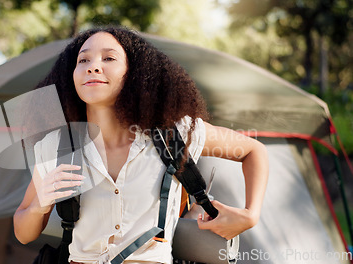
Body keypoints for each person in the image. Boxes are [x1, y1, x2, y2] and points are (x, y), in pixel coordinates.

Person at [13, 26, 268, 264]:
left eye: (109, 58)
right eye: (83, 60)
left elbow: (253, 150)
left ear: (133, 74)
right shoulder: (56, 146)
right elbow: (23, 233)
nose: (93, 67)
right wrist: (40, 205)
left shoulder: (174, 134)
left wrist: (250, 214)